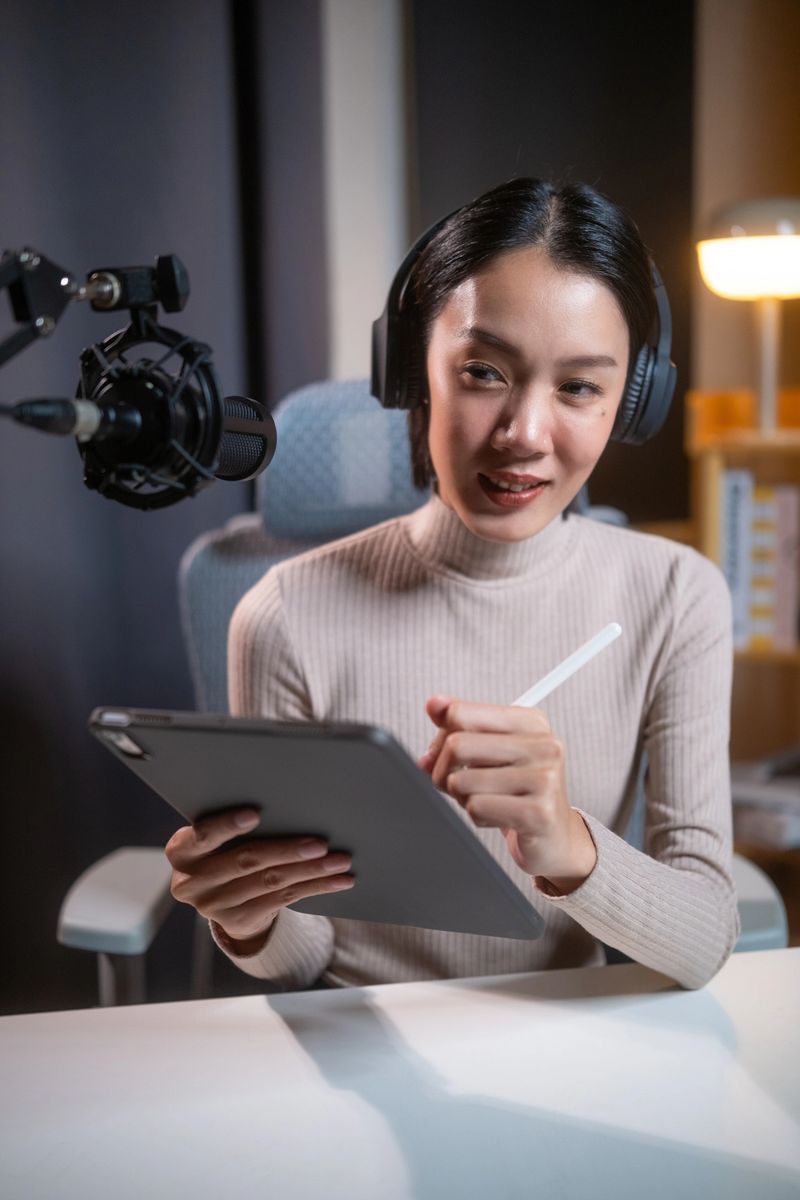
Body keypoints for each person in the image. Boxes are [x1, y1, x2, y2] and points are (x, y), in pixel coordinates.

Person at [165, 177, 739, 991]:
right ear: (411, 374)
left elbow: (705, 937)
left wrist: (570, 846)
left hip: (568, 1046)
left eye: (579, 386)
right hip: (366, 1047)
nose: (524, 435)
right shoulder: (282, 614)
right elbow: (302, 959)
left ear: (630, 403)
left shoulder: (679, 596)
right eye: (482, 371)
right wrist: (248, 913)